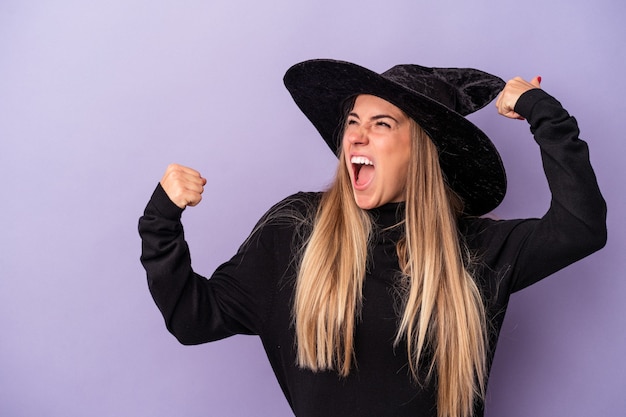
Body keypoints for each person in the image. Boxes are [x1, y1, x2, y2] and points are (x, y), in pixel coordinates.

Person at [138, 59, 607, 417]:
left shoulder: (474, 250)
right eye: (352, 122)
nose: (357, 137)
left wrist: (539, 109)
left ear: (423, 149)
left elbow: (581, 227)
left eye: (381, 124)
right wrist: (162, 219)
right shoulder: (296, 230)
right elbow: (192, 318)